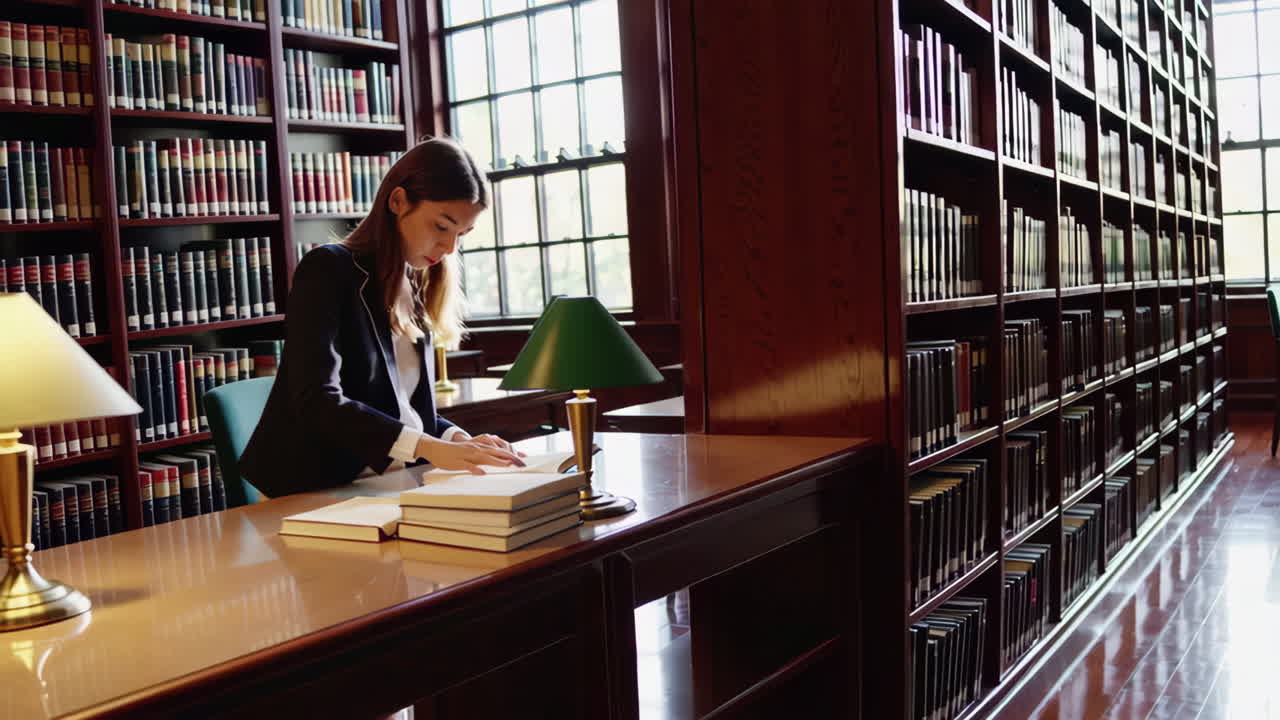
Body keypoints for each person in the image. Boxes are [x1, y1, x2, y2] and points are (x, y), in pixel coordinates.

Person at [241, 137, 524, 498]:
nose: (449, 248)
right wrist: (432, 449)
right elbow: (317, 401)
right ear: (398, 201)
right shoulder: (328, 269)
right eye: (442, 226)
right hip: (312, 489)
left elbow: (406, 412)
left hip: (383, 487)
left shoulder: (413, 283)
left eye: (461, 235)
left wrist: (460, 441)